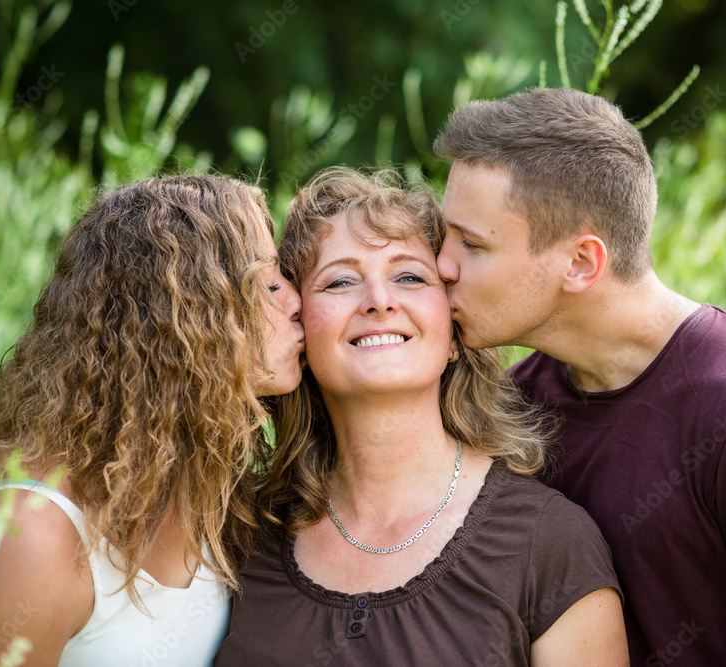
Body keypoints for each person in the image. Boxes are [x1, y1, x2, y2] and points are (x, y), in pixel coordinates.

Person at [432, 86, 726, 664]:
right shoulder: (513, 405)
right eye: (445, 235)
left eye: (471, 244)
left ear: (581, 263)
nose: (441, 264)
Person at [215, 167, 628, 665]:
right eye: (340, 281)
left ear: (454, 332)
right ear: (298, 328)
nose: (380, 302)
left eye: (409, 276)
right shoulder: (236, 529)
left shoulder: (549, 542)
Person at [0, 175, 305, 665]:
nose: (295, 300)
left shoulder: (212, 490)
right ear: (184, 317)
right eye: (269, 283)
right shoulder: (29, 536)